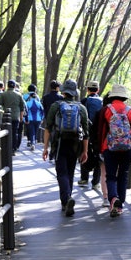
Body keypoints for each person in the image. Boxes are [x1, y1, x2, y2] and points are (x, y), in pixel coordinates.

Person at [42, 79, 89, 217]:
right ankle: (67, 199)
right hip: (75, 143)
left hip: (59, 142)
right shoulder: (81, 108)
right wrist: (85, 151)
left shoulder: (56, 106)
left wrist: (46, 148)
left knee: (61, 172)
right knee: (70, 171)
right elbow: (86, 132)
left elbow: (48, 128)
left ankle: (66, 200)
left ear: (63, 91)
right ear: (75, 93)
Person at [98, 84, 131, 218]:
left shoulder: (106, 109)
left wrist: (100, 148)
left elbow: (101, 131)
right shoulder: (130, 111)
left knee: (110, 176)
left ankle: (112, 199)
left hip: (109, 147)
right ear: (124, 97)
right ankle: (120, 205)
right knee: (123, 174)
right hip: (128, 147)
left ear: (112, 96)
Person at [78, 80, 103, 188]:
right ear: (98, 90)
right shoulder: (102, 102)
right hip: (99, 132)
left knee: (84, 150)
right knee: (98, 154)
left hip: (86, 130)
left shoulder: (84, 101)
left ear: (87, 89)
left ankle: (84, 178)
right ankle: (96, 182)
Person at [0, 80, 26, 153]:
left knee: (6, 132)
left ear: (7, 86)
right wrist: (21, 117)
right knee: (14, 132)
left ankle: (6, 147)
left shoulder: (3, 94)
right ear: (14, 86)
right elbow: (22, 107)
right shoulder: (19, 95)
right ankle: (14, 148)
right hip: (15, 117)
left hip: (6, 116)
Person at [25, 86, 44, 150]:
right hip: (38, 119)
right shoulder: (39, 103)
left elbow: (26, 112)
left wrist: (26, 119)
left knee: (31, 131)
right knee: (36, 131)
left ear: (30, 97)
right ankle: (34, 142)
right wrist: (42, 118)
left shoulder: (27, 103)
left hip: (30, 119)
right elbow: (42, 111)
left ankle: (32, 143)